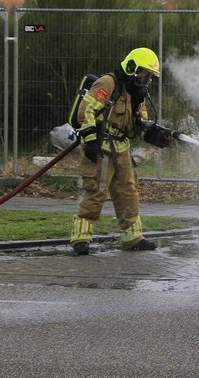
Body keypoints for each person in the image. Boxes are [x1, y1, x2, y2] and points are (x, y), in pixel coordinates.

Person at [69, 47, 174, 255]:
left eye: (150, 76)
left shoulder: (138, 94)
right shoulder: (107, 84)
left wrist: (153, 133)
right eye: (145, 74)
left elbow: (139, 122)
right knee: (95, 192)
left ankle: (132, 238)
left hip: (122, 149)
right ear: (132, 68)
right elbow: (86, 110)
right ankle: (80, 238)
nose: (147, 80)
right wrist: (90, 141)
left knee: (128, 192)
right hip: (101, 148)